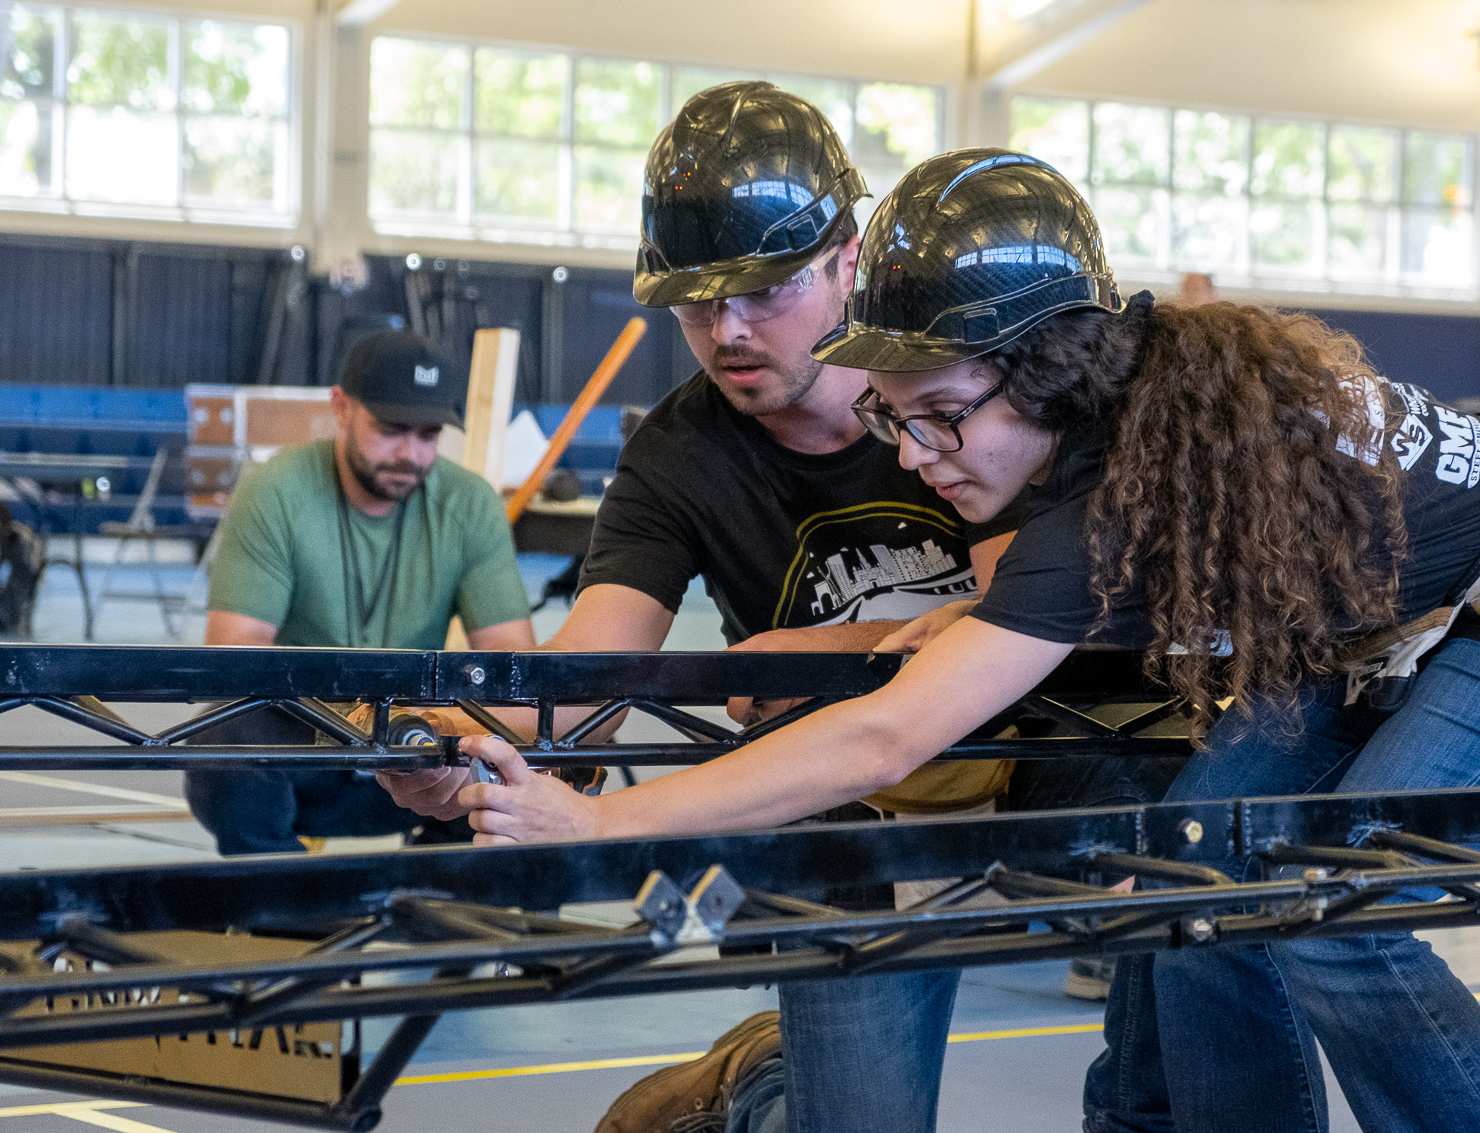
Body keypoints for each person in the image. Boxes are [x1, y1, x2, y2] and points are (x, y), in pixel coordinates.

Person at [443, 148, 1480, 1133]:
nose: (923, 458)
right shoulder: (1130, 419)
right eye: (900, 423)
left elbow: (885, 736)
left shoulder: (1114, 500)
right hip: (1369, 643)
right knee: (1201, 873)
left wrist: (593, 826)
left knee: (1342, 904)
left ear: (1046, 368)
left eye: (941, 416)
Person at [383, 132, 1178, 1133]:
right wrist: (468, 743)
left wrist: (818, 655)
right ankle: (774, 1085)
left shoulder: (980, 389)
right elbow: (591, 663)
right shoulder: (677, 450)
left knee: (1189, 876)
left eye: (767, 290)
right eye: (695, 301)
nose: (728, 329)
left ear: (849, 258)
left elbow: (1006, 619)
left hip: (1048, 743)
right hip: (840, 794)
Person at [185, 330, 534, 856]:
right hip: (306, 752)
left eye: (428, 434)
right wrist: (357, 713)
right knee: (222, 746)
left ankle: (434, 898)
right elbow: (236, 655)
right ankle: (289, 911)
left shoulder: (469, 504)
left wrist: (437, 724)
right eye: (391, 429)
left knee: (542, 743)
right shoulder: (276, 489)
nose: (410, 454)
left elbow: (515, 666)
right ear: (341, 406)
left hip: (421, 753)